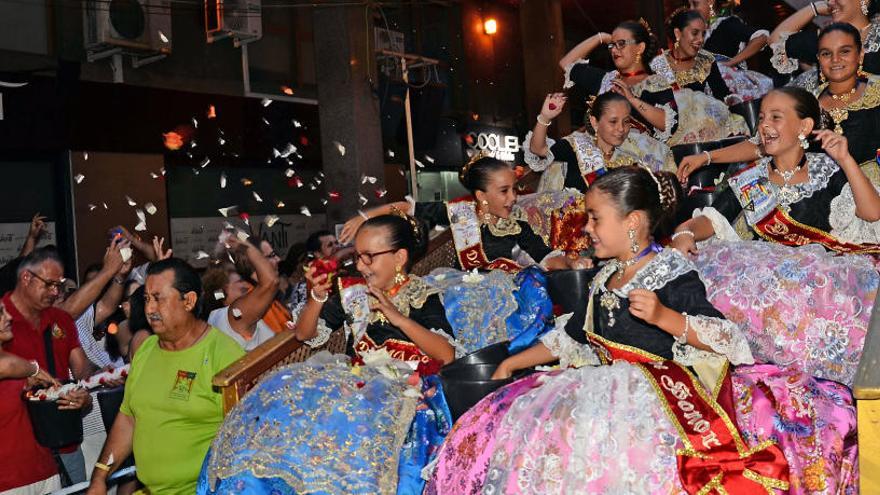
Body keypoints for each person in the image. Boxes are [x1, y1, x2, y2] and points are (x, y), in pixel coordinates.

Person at [426, 166, 857, 494]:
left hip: (661, 396)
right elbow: (571, 337)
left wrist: (665, 318)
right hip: (600, 384)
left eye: (595, 219)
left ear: (632, 222)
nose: (587, 229)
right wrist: (513, 362)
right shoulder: (603, 277)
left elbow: (729, 341)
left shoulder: (670, 272)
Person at [197, 214, 456, 494]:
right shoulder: (353, 293)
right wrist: (317, 297)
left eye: (369, 257)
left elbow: (446, 354)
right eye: (358, 257)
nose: (360, 265)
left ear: (399, 257)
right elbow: (305, 334)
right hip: (356, 382)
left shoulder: (420, 294)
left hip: (405, 388)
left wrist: (399, 319)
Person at [672, 86, 880, 386]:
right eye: (762, 118)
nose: (764, 125)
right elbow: (712, 219)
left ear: (804, 127)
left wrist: (846, 160)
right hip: (775, 308)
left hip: (825, 298)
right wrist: (687, 231)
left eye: (776, 117)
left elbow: (872, 213)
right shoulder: (747, 180)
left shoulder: (827, 170)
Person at [340, 156, 586, 354]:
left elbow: (544, 255)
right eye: (504, 191)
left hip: (502, 286)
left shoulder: (516, 223)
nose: (513, 197)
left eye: (513, 189)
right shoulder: (459, 214)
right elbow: (407, 208)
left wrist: (570, 261)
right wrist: (364, 217)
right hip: (460, 285)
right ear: (481, 196)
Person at [85, 258, 245, 495]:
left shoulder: (224, 356)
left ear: (188, 301)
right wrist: (100, 476)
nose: (149, 309)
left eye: (158, 298)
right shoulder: (146, 350)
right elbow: (128, 419)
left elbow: (246, 437)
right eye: (147, 299)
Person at [679, 22, 880, 179]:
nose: (835, 60)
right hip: (814, 198)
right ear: (818, 58)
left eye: (844, 51)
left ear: (860, 54)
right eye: (827, 53)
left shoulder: (877, 91)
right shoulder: (806, 100)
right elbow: (761, 146)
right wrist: (706, 157)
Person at [2, 246, 95, 485]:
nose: (55, 292)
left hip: (62, 448)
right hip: (13, 461)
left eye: (59, 286)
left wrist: (84, 395)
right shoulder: (3, 320)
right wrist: (30, 372)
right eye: (49, 284)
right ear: (26, 278)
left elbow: (82, 373)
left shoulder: (60, 319)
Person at [525, 91, 676, 192]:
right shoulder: (575, 147)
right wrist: (545, 117)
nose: (621, 129)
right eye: (613, 122)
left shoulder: (632, 161)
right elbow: (538, 149)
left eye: (626, 122)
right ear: (595, 122)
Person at [559, 19, 674, 135]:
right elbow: (566, 64)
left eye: (621, 44)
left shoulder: (656, 83)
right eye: (612, 45)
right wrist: (601, 37)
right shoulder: (607, 80)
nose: (614, 50)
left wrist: (632, 100)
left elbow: (667, 123)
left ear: (640, 48)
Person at [0, 299, 64, 494]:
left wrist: (72, 396)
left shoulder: (18, 357)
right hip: (7, 484)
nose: (9, 317)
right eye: (1, 313)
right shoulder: (18, 365)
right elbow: (6, 367)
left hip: (45, 473)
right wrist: (33, 368)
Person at [769, 0, 880, 90]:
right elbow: (775, 41)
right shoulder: (824, 38)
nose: (830, 2)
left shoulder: (876, 34)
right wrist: (814, 8)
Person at [206, 235, 278, 351]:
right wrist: (243, 246)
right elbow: (270, 283)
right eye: (241, 282)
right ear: (221, 290)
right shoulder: (234, 315)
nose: (248, 286)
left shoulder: (220, 315)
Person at [689, 0, 769, 68]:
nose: (691, 9)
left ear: (710, 2)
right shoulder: (702, 33)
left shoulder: (727, 24)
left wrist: (731, 63)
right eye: (689, 5)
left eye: (695, 4)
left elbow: (762, 37)